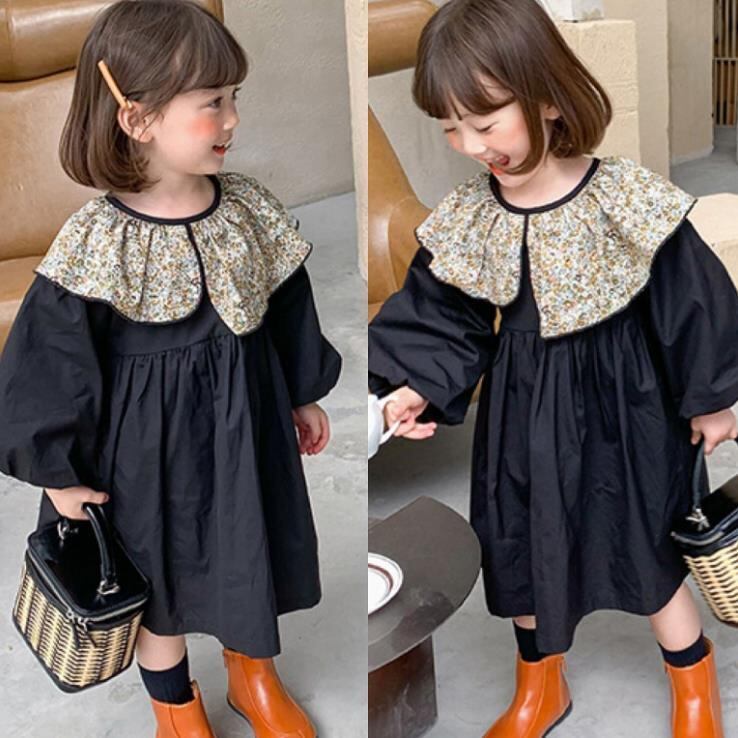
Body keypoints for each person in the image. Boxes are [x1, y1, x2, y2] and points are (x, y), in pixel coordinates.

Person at [368, 1, 738, 736]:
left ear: (546, 97)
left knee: (647, 542)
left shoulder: (625, 199)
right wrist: (412, 386)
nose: (471, 145)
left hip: (631, 412)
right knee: (521, 543)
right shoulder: (471, 219)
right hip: (523, 414)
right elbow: (444, 317)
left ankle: (693, 680)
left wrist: (711, 397)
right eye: (451, 127)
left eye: (485, 121)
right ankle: (540, 684)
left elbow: (691, 301)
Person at [0, 2, 341, 736]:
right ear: (138, 118)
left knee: (249, 554)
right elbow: (49, 366)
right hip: (146, 459)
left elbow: (286, 302)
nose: (232, 119)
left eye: (233, 97)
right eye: (212, 102)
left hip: (245, 429)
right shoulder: (96, 241)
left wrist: (303, 393)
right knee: (160, 588)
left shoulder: (247, 207)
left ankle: (253, 677)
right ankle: (176, 710)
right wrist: (59, 476)